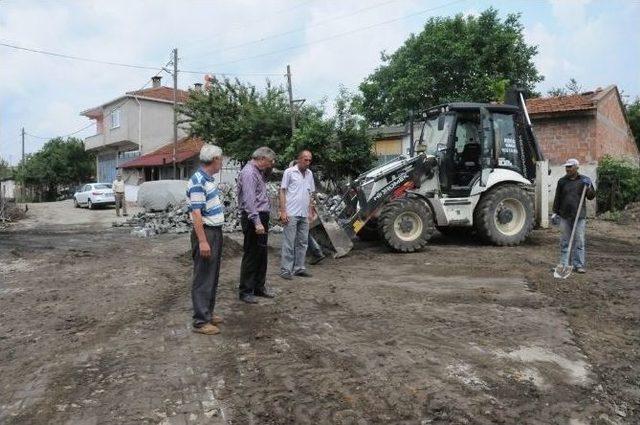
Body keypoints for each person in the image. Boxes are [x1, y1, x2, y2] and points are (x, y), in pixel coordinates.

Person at [187, 144, 225, 335]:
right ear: (215, 159)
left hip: (215, 231)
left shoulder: (208, 179)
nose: (222, 162)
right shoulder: (198, 180)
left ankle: (208, 312)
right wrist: (202, 241)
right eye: (221, 158)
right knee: (203, 276)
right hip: (206, 232)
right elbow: (196, 214)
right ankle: (201, 320)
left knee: (212, 274)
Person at [237, 147, 277, 304]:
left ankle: (259, 287)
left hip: (261, 216)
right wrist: (257, 221)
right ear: (261, 159)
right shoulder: (248, 173)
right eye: (268, 162)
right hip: (254, 217)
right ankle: (246, 291)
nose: (270, 165)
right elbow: (249, 200)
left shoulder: (258, 172)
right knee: (252, 254)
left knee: (261, 254)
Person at [552, 158, 596, 273]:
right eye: (567, 167)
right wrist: (555, 212)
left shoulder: (584, 180)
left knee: (579, 241)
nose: (567, 169)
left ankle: (578, 265)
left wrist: (589, 186)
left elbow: (591, 196)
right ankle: (564, 263)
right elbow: (558, 198)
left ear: (576, 168)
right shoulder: (562, 181)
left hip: (579, 216)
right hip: (564, 215)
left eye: (570, 167)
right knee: (565, 241)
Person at [279, 150, 316, 279]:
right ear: (299, 159)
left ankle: (299, 268)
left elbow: (311, 193)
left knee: (302, 242)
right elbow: (282, 192)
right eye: (305, 159)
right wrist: (283, 211)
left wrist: (311, 211)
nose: (307, 162)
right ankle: (286, 270)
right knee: (289, 242)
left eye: (309, 160)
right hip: (291, 213)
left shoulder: (310, 174)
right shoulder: (289, 172)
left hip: (304, 213)